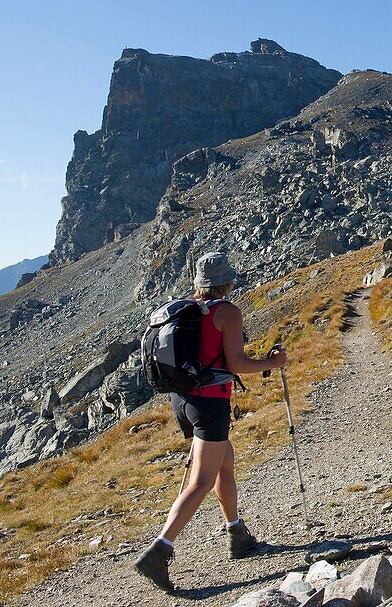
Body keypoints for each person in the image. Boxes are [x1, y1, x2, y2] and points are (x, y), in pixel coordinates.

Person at [134, 252, 288, 592]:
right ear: (227, 281)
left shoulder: (186, 310)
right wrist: (272, 362)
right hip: (210, 404)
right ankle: (159, 551)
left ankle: (237, 533)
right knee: (201, 481)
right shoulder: (227, 313)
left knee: (224, 465)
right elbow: (235, 364)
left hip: (182, 400)